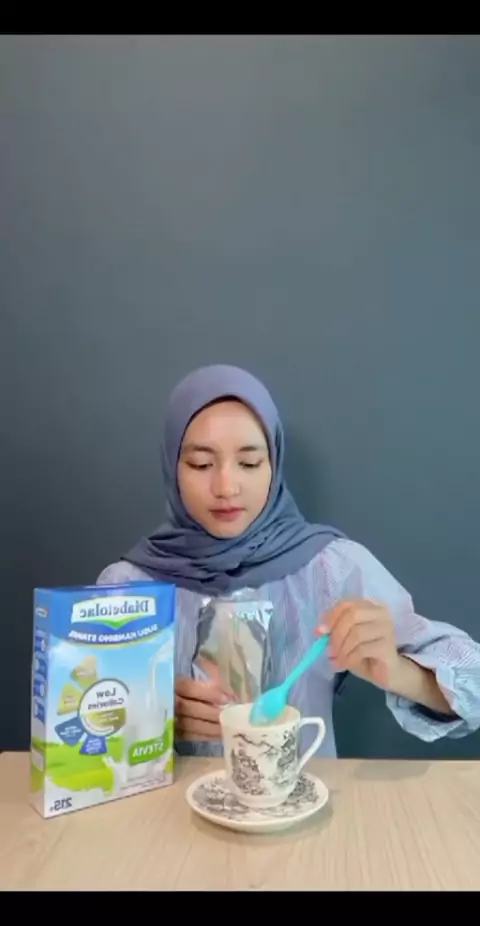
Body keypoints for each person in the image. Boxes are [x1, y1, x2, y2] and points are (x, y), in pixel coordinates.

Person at [97, 364, 480, 757]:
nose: (226, 487)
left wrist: (399, 672)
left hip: (304, 795)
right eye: (201, 464)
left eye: (249, 463)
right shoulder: (125, 588)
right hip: (167, 799)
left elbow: (475, 683)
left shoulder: (330, 569)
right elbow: (83, 730)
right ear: (172, 467)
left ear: (274, 464)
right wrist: (149, 717)